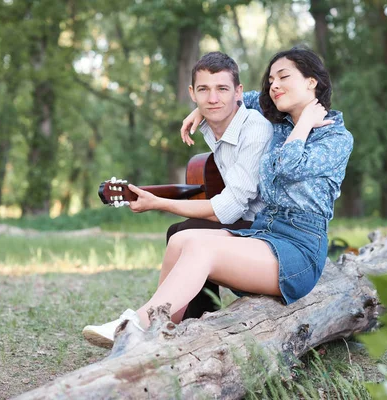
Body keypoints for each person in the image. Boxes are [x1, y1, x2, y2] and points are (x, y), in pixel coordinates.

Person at [82, 47, 353, 350]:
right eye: (271, 79)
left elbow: (288, 167)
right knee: (181, 240)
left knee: (202, 250)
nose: (273, 84)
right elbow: (240, 97)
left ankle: (134, 327)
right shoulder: (278, 118)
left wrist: (304, 125)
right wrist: (203, 107)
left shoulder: (336, 138)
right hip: (264, 232)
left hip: (299, 250)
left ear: (311, 82)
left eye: (283, 77)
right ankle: (162, 335)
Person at [126, 51, 273, 319]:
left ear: (238, 92)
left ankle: (164, 319)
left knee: (187, 232)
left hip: (265, 228)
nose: (213, 98)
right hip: (241, 215)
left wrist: (158, 203)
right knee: (180, 231)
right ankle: (194, 317)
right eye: (204, 90)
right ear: (192, 93)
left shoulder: (255, 129)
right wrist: (202, 111)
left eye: (222, 89)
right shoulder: (213, 122)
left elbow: (228, 209)